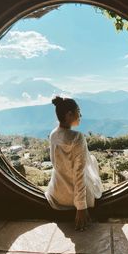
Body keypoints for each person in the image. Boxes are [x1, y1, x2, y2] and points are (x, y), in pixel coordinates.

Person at [45, 95, 103, 231]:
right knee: (92, 160)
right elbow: (79, 174)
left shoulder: (53, 134)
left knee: (89, 160)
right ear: (69, 114)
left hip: (58, 194)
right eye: (78, 111)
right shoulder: (77, 138)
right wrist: (81, 207)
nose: (81, 114)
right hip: (75, 198)